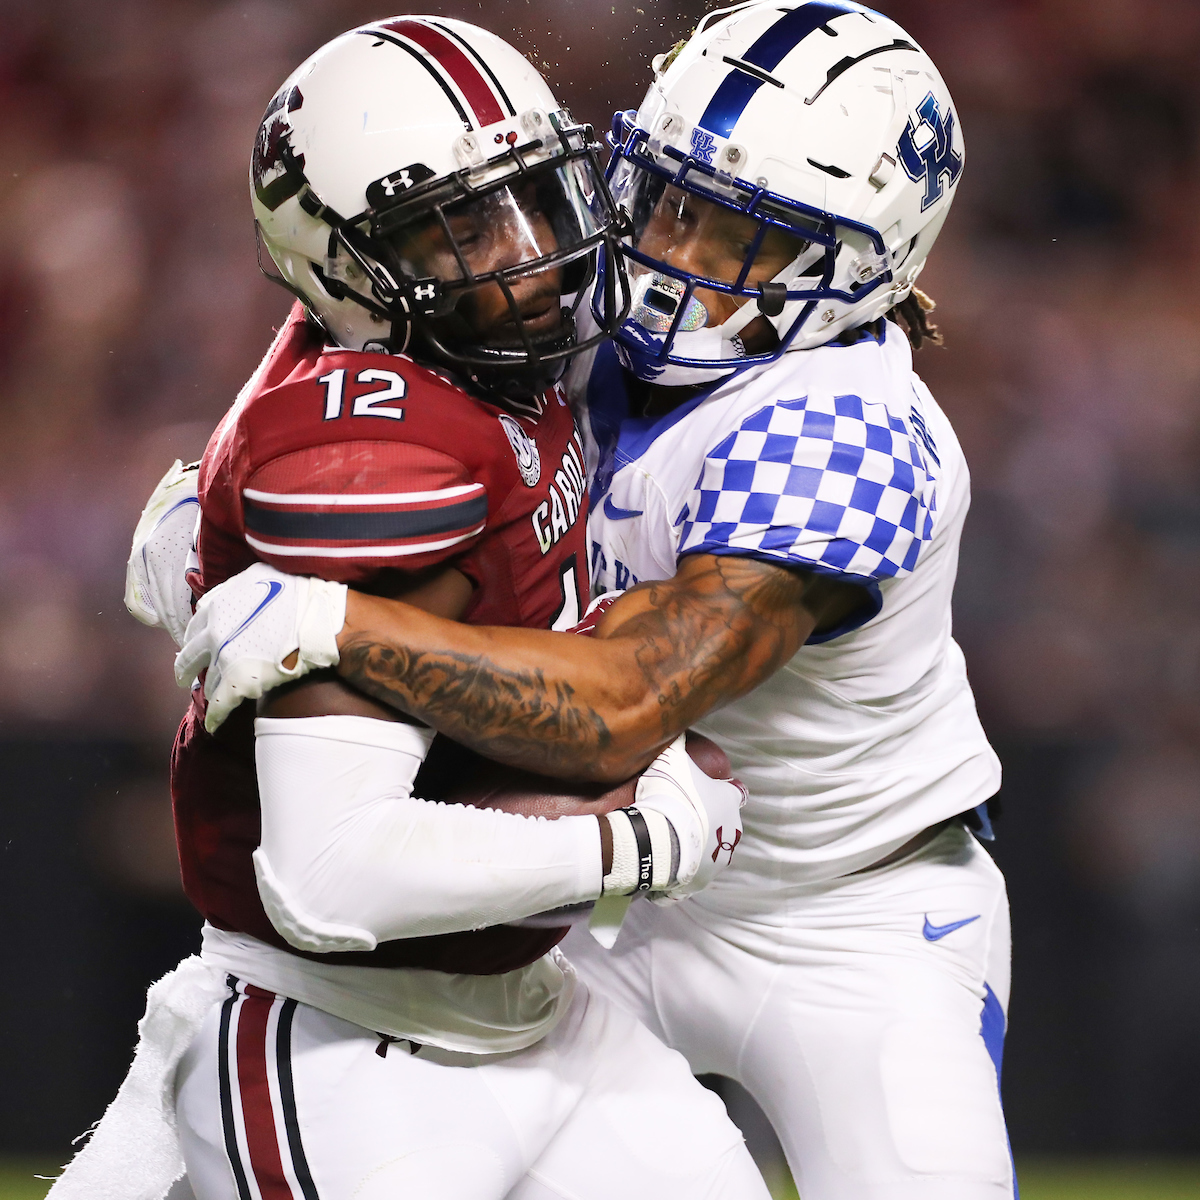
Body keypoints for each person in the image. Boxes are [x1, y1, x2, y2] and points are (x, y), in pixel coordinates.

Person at [181, 3, 1018, 1199]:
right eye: (666, 195)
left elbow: (625, 704)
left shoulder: (846, 435)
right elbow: (355, 313)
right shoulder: (570, 289)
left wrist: (332, 621)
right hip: (610, 893)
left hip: (846, 913)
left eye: (738, 235)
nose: (671, 249)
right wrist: (219, 504)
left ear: (851, 268)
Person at [90, 16, 766, 1200]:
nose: (532, 257)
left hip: (539, 1008)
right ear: (351, 269)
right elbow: (332, 876)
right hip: (347, 1042)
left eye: (532, 197)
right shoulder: (371, 459)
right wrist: (635, 844)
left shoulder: (464, 353)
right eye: (463, 229)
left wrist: (209, 539)